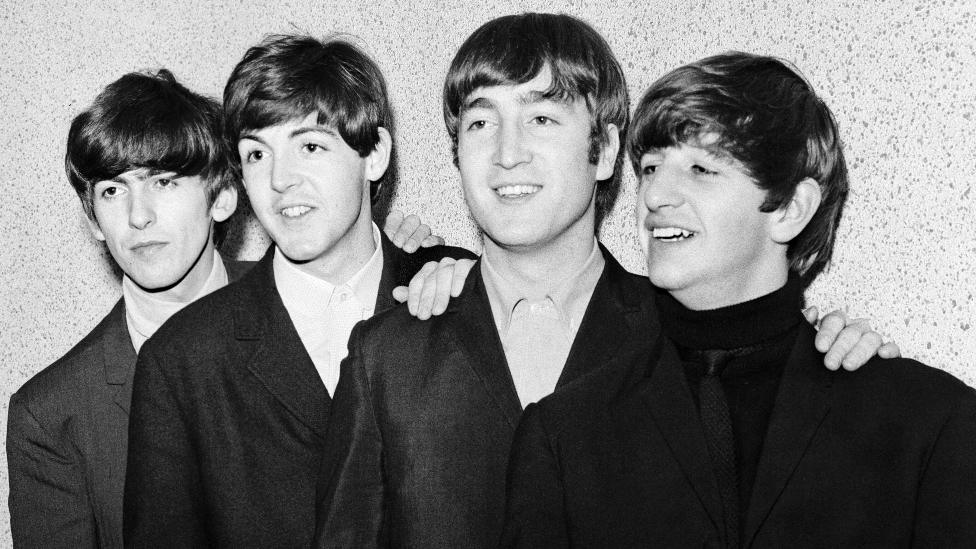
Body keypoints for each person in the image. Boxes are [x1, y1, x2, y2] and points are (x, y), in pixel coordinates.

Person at [315, 15, 893, 549]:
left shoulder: (696, 347)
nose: (506, 153)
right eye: (480, 122)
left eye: (541, 118)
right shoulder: (386, 358)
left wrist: (832, 363)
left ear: (606, 150)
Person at [501, 52, 976, 548]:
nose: (655, 195)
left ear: (791, 208)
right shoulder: (563, 436)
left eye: (701, 169)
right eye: (650, 167)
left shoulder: (930, 422)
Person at [121, 35, 474, 548]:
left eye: (310, 146)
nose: (280, 179)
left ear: (374, 154)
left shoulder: (463, 293)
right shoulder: (182, 363)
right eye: (256, 154)